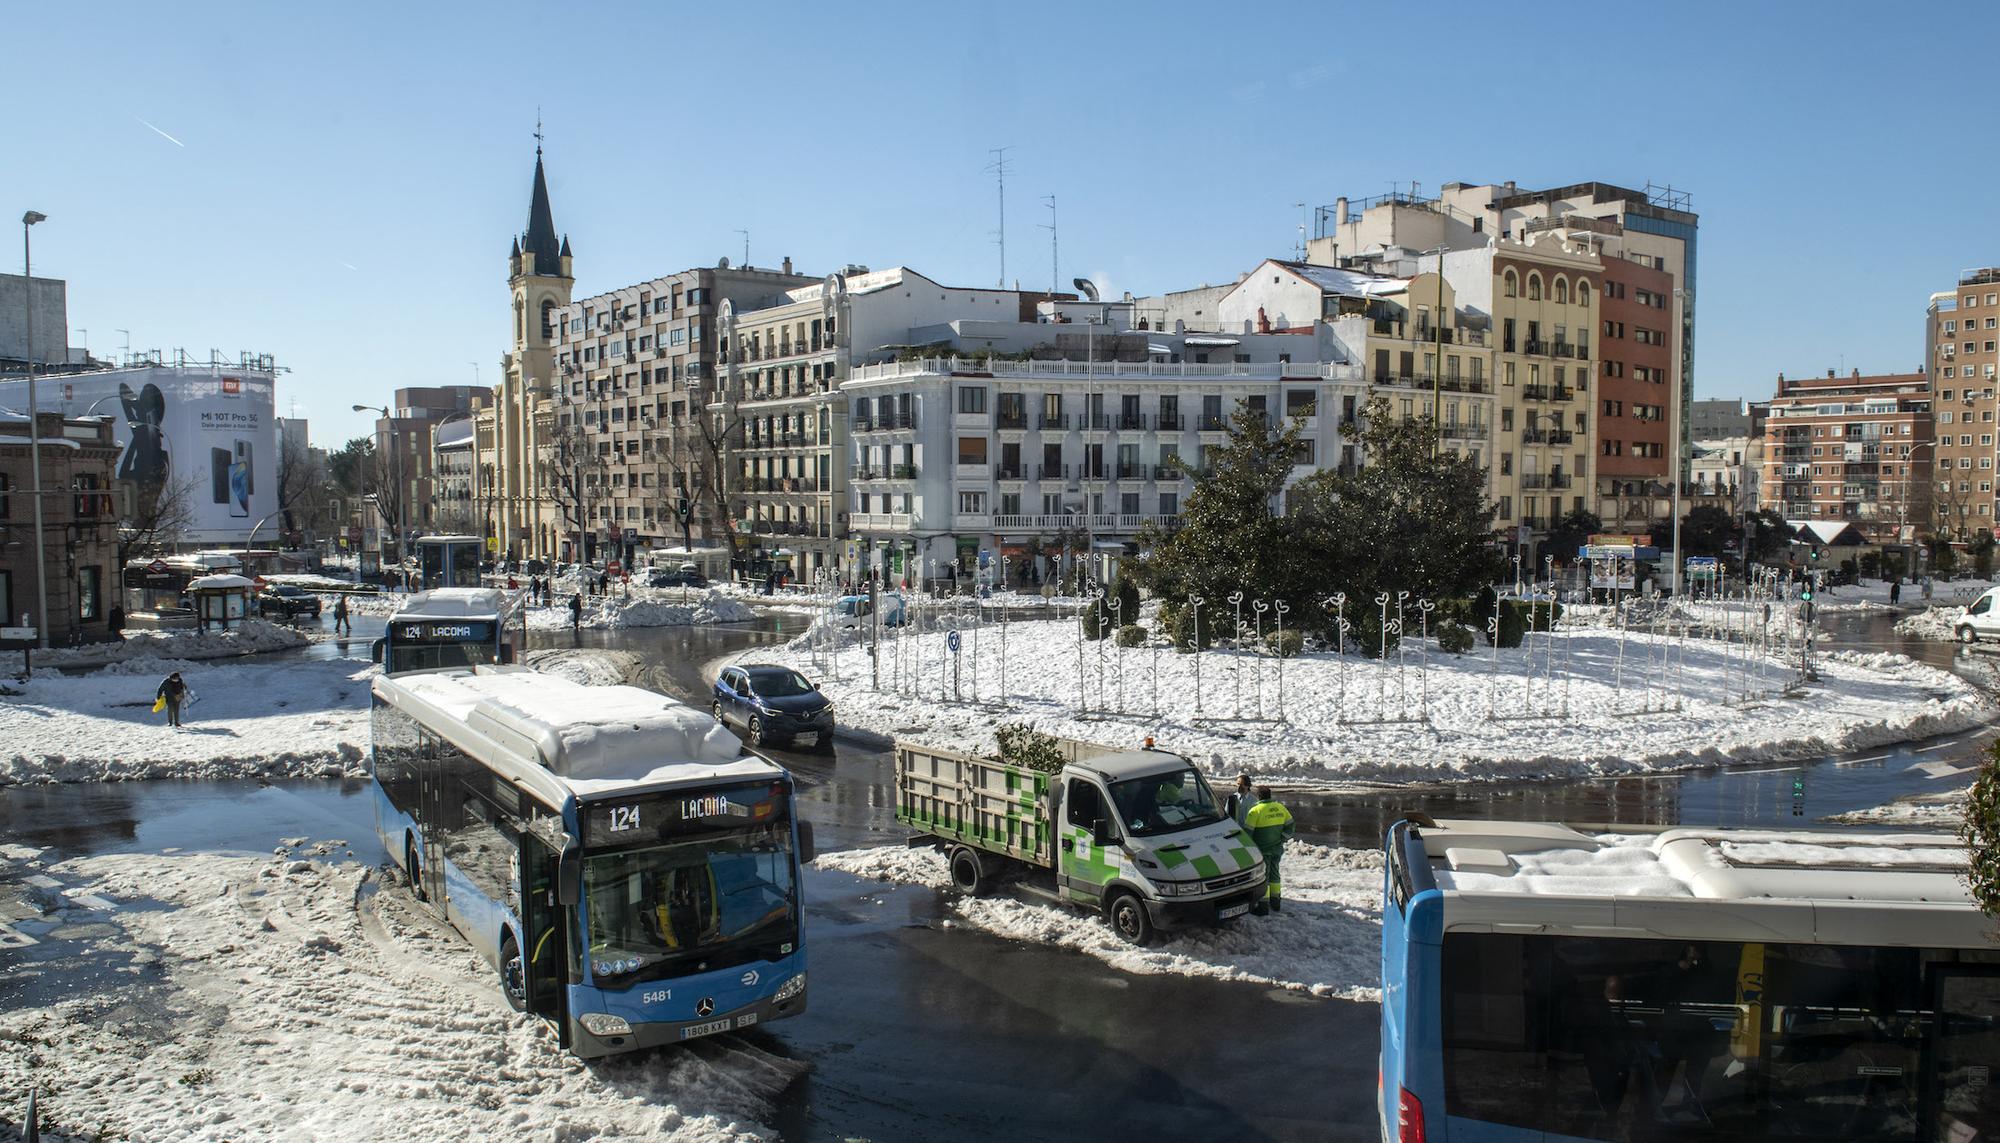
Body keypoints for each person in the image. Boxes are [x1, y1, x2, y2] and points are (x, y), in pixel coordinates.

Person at [1243, 785, 1295, 914]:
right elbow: (1290, 827)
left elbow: (1247, 834)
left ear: (1258, 796)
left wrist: (1249, 849)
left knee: (1264, 876)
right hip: (1277, 848)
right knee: (1275, 873)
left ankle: (1263, 905)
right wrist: (1281, 839)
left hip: (1262, 850)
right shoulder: (1280, 807)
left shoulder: (1255, 811)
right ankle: (1276, 901)